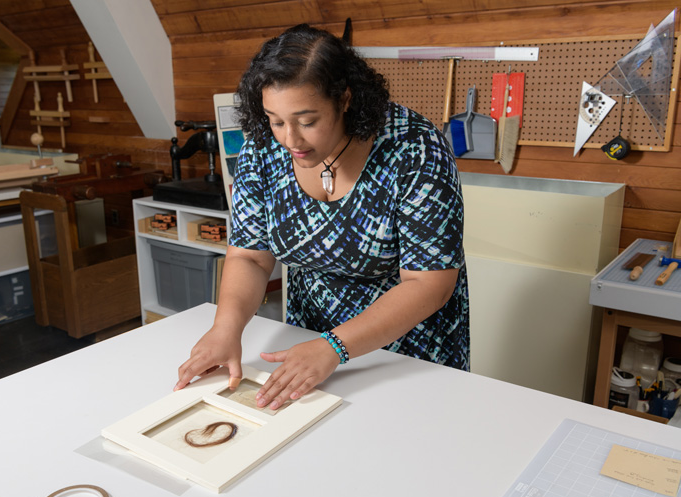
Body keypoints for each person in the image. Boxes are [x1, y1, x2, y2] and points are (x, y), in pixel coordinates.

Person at [174, 23, 469, 410]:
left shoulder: (413, 149)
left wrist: (334, 346)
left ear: (345, 99)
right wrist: (225, 329)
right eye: (276, 120)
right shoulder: (263, 150)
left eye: (307, 121)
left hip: (408, 350)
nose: (290, 139)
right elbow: (249, 255)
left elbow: (430, 284)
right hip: (305, 345)